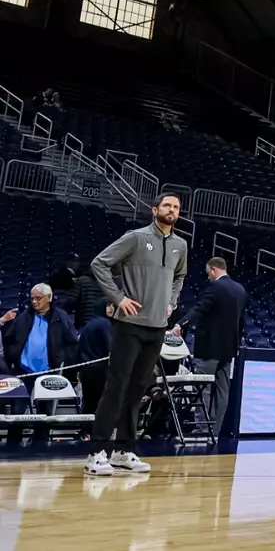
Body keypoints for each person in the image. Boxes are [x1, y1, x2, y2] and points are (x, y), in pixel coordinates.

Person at [85, 193, 188, 476]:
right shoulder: (135, 237)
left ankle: (123, 451)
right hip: (129, 325)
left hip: (157, 328)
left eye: (176, 207)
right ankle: (96, 453)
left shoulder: (181, 244)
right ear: (155, 210)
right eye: (167, 205)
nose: (172, 210)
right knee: (116, 387)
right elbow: (99, 263)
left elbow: (179, 277)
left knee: (137, 390)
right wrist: (118, 298)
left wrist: (172, 301)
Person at [169, 256, 246, 439]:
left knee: (202, 388)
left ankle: (201, 431)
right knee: (222, 390)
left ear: (213, 269)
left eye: (208, 272)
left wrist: (180, 324)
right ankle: (215, 432)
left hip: (209, 349)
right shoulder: (240, 290)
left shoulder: (215, 287)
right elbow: (241, 322)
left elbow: (200, 308)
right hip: (229, 350)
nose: (207, 276)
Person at [1, 284, 78, 444]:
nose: (34, 302)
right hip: (24, 371)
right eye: (32, 298)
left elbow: (72, 343)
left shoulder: (60, 317)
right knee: (17, 411)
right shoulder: (23, 317)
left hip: (48, 371)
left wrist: (60, 358)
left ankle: (40, 446)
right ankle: (12, 446)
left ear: (49, 298)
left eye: (38, 298)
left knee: (45, 413)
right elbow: (9, 339)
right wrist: (13, 358)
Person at [77, 304, 114, 417]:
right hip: (99, 370)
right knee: (101, 404)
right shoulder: (105, 323)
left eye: (112, 305)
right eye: (108, 305)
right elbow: (110, 347)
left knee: (88, 403)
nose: (111, 308)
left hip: (86, 369)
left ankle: (85, 431)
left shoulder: (89, 324)